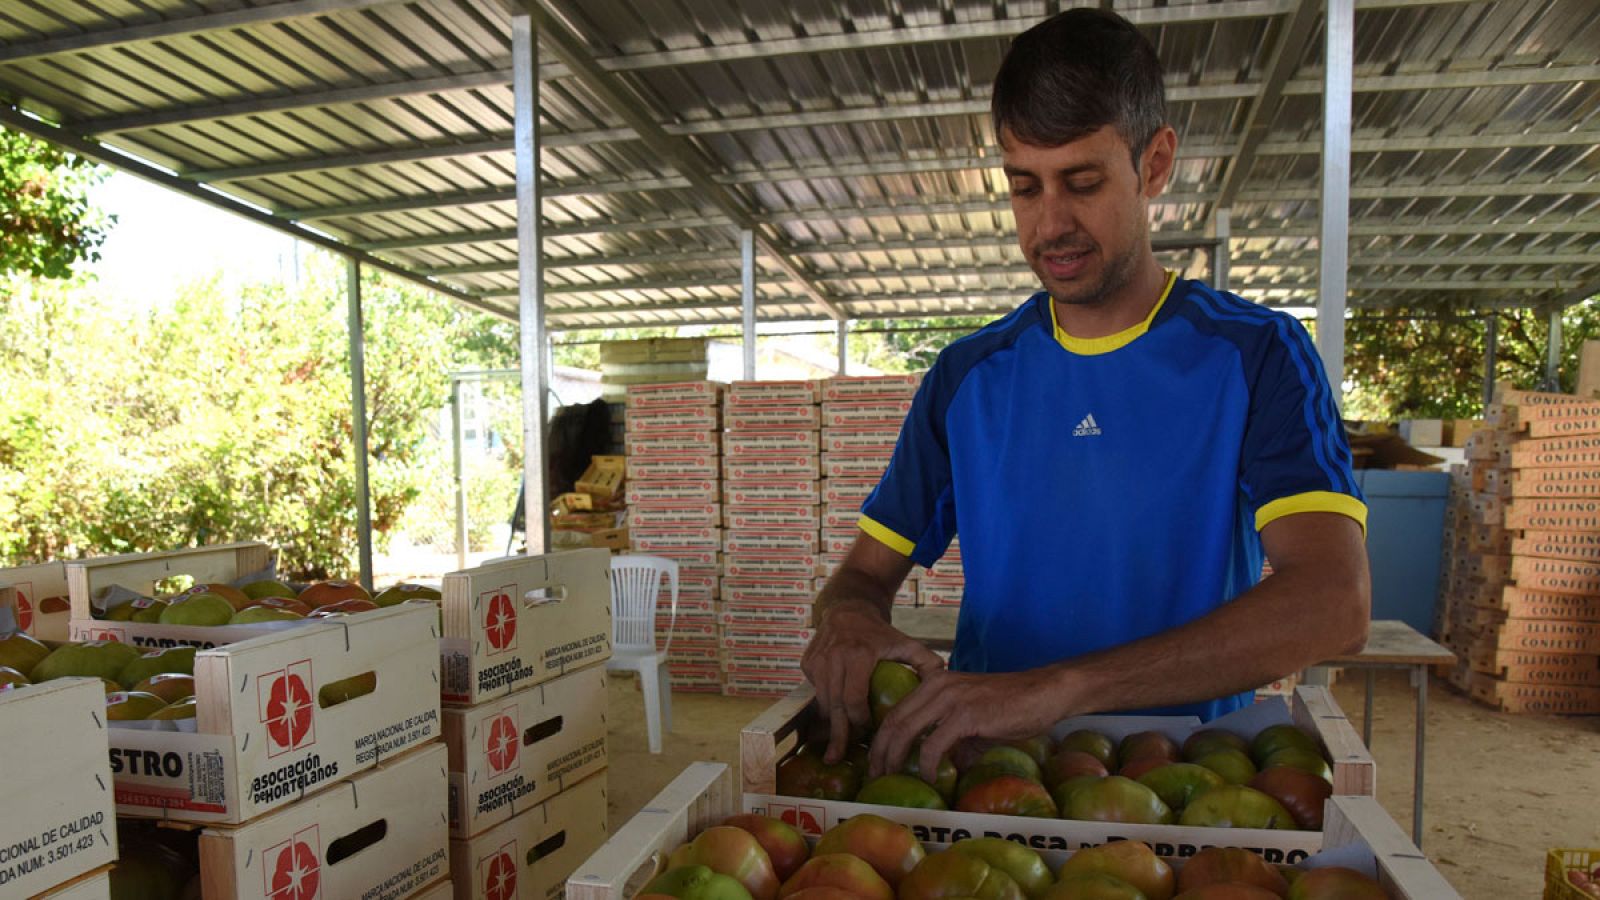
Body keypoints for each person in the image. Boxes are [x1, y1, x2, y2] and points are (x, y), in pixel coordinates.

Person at [799, 7, 1371, 782]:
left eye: (1083, 181)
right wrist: (846, 621)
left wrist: (1062, 690)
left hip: (1182, 794)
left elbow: (1335, 602)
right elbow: (862, 576)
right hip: (986, 788)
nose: (1050, 223)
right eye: (1024, 187)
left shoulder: (1256, 355)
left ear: (1156, 163)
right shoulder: (969, 377)